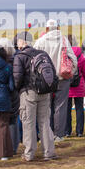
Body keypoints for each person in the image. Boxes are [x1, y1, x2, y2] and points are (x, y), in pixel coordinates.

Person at [13, 31, 56, 161]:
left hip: (28, 93)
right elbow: (52, 71)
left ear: (21, 42)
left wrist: (18, 89)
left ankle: (29, 153)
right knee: (45, 122)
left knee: (28, 123)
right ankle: (49, 152)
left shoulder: (20, 56)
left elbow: (17, 78)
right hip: (44, 92)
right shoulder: (43, 54)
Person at [33, 19, 77, 142]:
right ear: (58, 27)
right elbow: (73, 58)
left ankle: (46, 134)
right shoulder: (63, 40)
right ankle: (58, 134)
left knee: (45, 107)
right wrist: (71, 72)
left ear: (46, 29)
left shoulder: (40, 41)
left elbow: (33, 60)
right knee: (60, 106)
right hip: (62, 77)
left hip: (45, 78)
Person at [0, 37, 20, 155]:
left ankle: (6, 146)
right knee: (13, 119)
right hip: (14, 92)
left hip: (3, 93)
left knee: (5, 120)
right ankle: (14, 146)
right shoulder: (16, 60)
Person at [65, 35, 85, 138]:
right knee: (80, 108)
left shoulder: (65, 54)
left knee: (67, 110)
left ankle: (67, 131)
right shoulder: (81, 55)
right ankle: (79, 131)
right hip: (79, 83)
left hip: (67, 84)